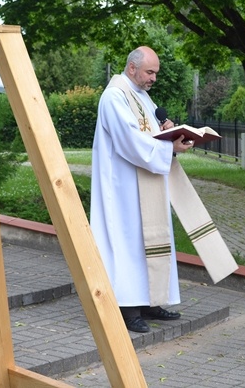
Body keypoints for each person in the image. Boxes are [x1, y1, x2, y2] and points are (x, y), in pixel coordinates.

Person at [89, 46, 194, 333]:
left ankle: (150, 302)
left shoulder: (141, 96)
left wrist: (170, 134)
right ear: (132, 68)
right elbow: (129, 141)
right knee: (129, 246)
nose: (154, 79)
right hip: (123, 188)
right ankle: (129, 309)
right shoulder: (114, 97)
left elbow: (149, 135)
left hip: (145, 181)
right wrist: (166, 147)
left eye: (155, 73)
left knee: (150, 243)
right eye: (150, 72)